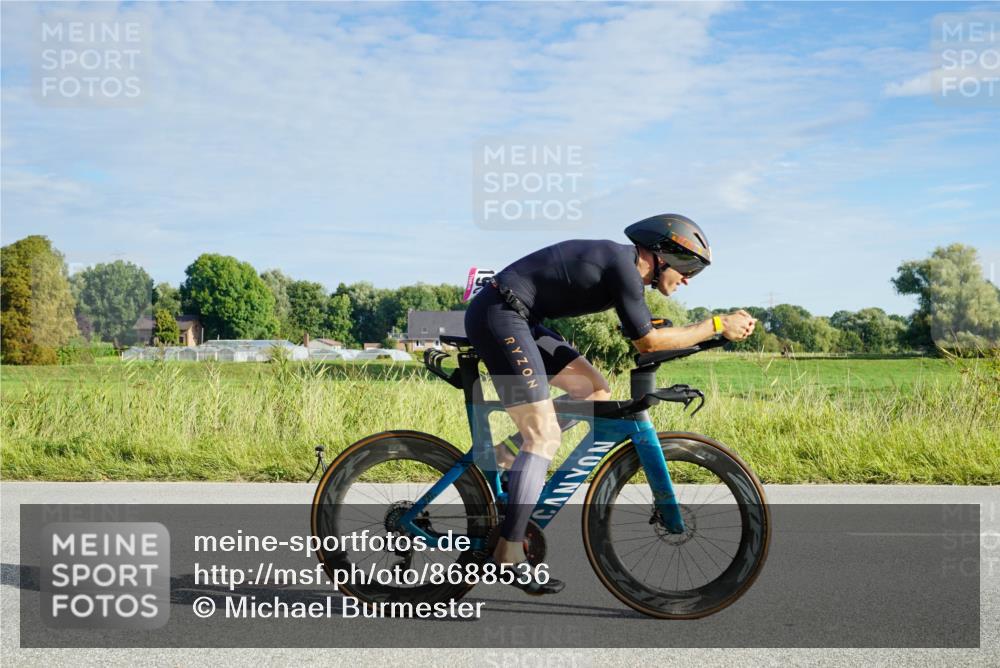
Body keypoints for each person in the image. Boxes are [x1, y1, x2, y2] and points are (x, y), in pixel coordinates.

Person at [463, 213, 757, 595]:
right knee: (543, 436)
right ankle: (508, 553)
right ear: (661, 254)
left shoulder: (624, 270)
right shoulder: (623, 268)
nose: (687, 279)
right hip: (500, 316)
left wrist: (707, 335)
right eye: (688, 268)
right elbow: (647, 343)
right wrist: (715, 325)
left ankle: (506, 457)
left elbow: (648, 335)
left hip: (521, 318)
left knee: (593, 390)